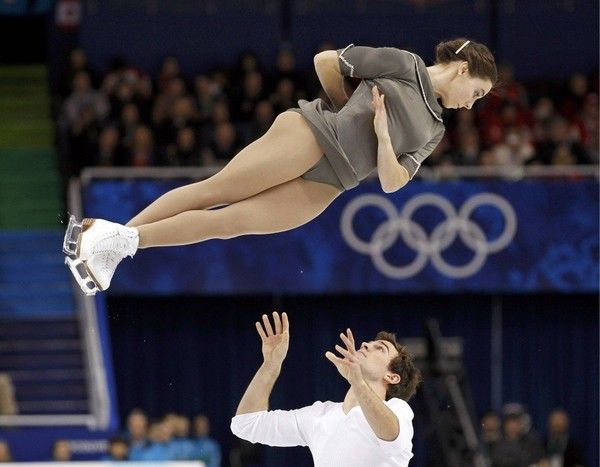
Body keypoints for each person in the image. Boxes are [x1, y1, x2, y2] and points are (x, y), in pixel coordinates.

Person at [63, 38, 497, 295]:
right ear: (462, 69)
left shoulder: (435, 130)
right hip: (310, 136)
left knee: (226, 225)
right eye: (476, 92)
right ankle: (105, 241)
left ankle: (111, 242)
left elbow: (391, 182)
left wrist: (383, 136)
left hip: (330, 186)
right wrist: (345, 111)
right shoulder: (405, 65)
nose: (471, 103)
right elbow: (327, 62)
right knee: (216, 191)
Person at [230, 312, 422, 466]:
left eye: (380, 348)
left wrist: (358, 383)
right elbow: (246, 425)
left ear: (392, 377)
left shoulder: (398, 410)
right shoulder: (320, 415)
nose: (365, 344)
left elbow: (390, 433)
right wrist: (270, 365)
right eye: (369, 343)